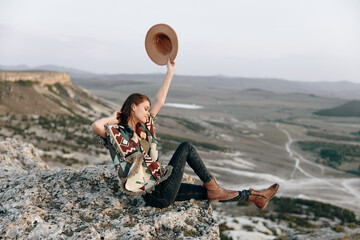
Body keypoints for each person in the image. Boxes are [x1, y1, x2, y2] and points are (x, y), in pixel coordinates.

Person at [92, 59, 279, 209]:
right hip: (155, 193)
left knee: (208, 193)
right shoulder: (118, 133)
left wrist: (170, 72)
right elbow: (96, 126)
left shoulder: (144, 127)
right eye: (145, 108)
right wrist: (113, 118)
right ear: (133, 106)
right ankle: (214, 185)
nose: (149, 112)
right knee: (186, 147)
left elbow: (160, 100)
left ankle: (256, 196)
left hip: (162, 189)